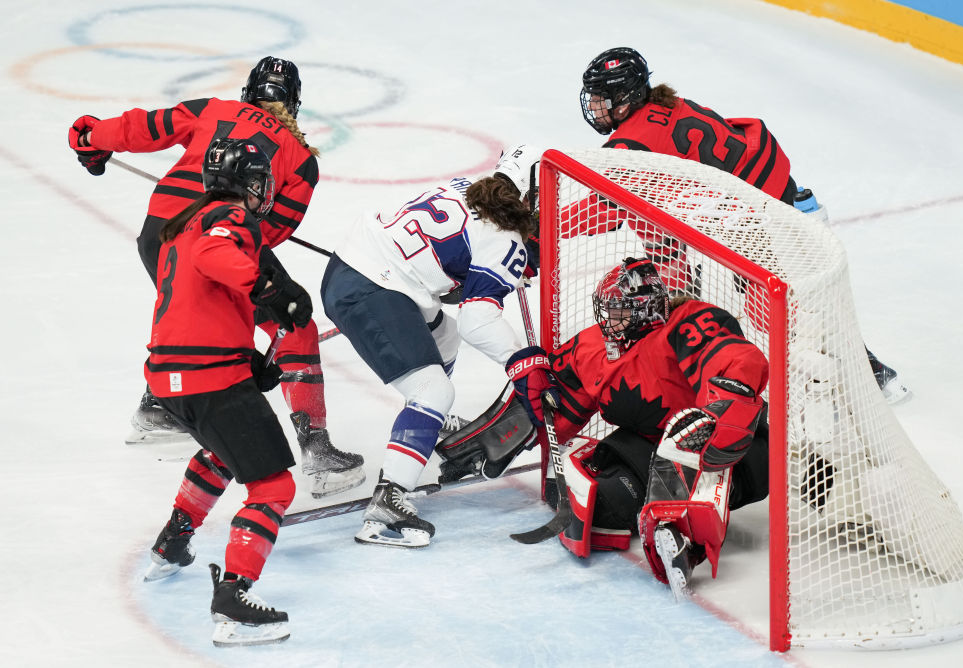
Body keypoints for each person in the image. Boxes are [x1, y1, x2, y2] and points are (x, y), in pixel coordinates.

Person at [67, 56, 365, 496]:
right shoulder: (302, 160)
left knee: (189, 313)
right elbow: (273, 231)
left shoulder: (215, 109)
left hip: (161, 232)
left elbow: (148, 127)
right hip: (223, 244)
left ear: (249, 91)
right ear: (295, 103)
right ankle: (317, 451)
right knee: (294, 329)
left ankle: (159, 407)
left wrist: (92, 135)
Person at [577, 47, 909, 404]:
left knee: (778, 313)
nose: (594, 106)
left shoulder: (630, 143)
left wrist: (536, 226)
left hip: (759, 213)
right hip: (770, 186)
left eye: (602, 98)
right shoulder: (665, 104)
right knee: (673, 244)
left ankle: (868, 376)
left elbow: (605, 209)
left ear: (627, 97)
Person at [501, 256, 770, 600]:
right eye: (608, 309)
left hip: (715, 447)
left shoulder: (687, 322)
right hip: (644, 451)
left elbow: (735, 359)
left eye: (619, 310)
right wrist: (535, 384)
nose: (610, 319)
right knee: (602, 506)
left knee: (751, 465)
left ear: (643, 310)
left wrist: (721, 410)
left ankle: (688, 524)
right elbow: (559, 401)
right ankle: (668, 518)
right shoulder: (595, 345)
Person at [321, 144, 544, 548]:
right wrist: (525, 362)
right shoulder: (505, 236)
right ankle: (388, 502)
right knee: (433, 390)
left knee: (445, 335)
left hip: (361, 266)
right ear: (531, 194)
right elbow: (480, 321)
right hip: (372, 287)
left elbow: (450, 273)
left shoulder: (471, 187)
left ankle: (428, 426)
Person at [141, 137, 307, 646]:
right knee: (274, 487)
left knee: (220, 448)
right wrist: (270, 291)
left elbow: (197, 297)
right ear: (245, 185)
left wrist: (246, 359)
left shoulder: (181, 224)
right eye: (260, 183)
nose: (264, 194)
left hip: (168, 377)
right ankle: (233, 600)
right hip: (209, 377)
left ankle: (173, 542)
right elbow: (218, 256)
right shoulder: (230, 219)